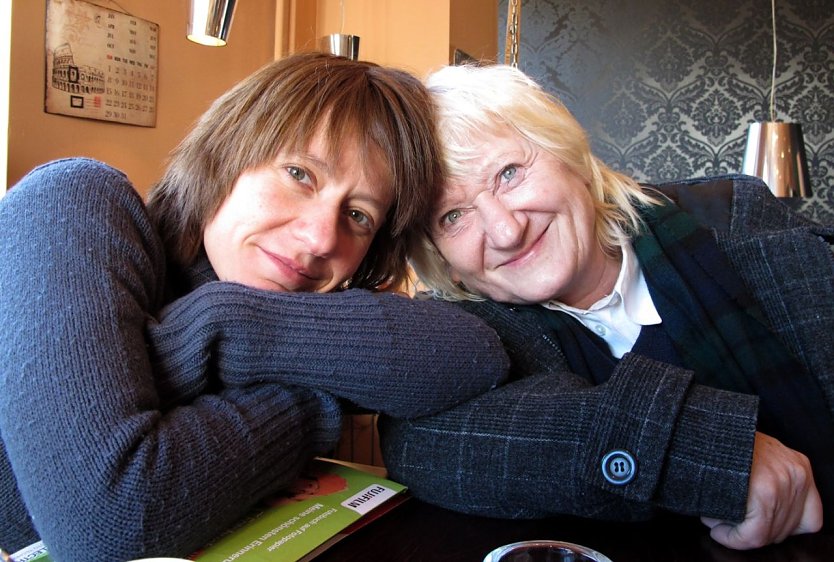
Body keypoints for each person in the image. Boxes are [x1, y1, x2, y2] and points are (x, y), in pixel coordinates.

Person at [0, 52, 509, 561]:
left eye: (358, 215)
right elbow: (106, 524)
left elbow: (476, 355)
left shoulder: (296, 304)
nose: (320, 238)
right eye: (299, 174)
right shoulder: (70, 205)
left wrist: (223, 321)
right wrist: (316, 402)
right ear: (225, 152)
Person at [379, 62, 834, 551]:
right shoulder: (464, 330)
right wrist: (700, 444)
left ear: (571, 157)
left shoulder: (735, 220)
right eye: (452, 216)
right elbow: (415, 440)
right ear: (442, 261)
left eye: (509, 174)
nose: (507, 231)